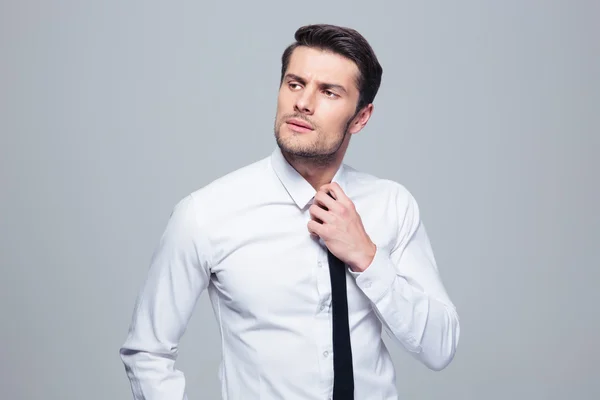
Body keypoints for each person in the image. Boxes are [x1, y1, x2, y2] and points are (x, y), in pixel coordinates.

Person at [119, 23, 460, 400]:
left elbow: (439, 347)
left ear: (361, 117)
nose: (303, 102)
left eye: (328, 92)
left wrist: (367, 256)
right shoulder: (206, 213)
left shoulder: (392, 205)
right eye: (295, 84)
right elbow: (147, 351)